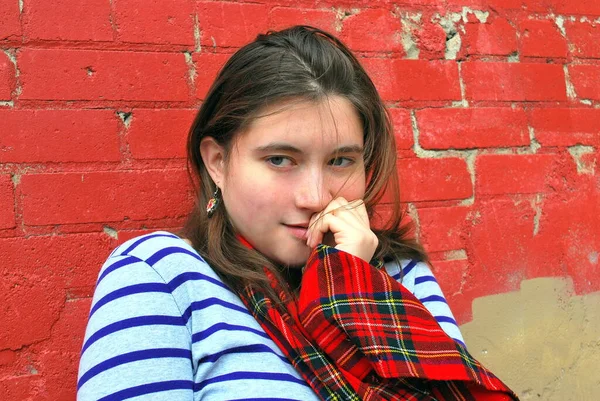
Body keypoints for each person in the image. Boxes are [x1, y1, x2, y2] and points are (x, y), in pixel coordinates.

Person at [77, 26, 517, 401]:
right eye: (281, 160)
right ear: (217, 162)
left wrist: (352, 284)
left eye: (341, 161)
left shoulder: (399, 273)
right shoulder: (160, 276)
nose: (314, 196)